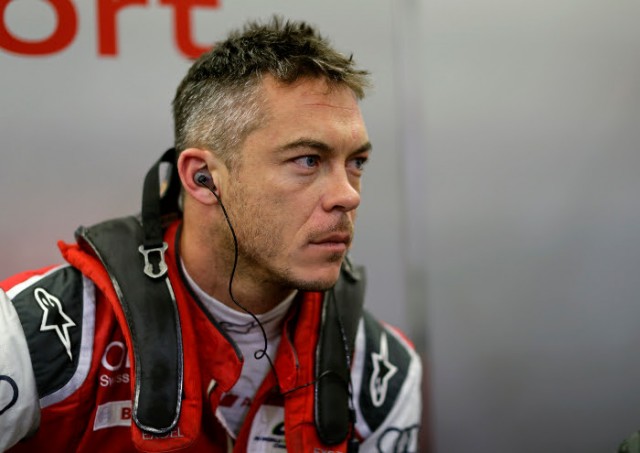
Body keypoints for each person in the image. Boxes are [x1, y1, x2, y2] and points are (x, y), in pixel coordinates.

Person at [0, 17, 422, 452]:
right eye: (308, 160)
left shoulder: (381, 371)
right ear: (202, 178)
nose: (348, 195)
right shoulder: (37, 334)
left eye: (356, 162)